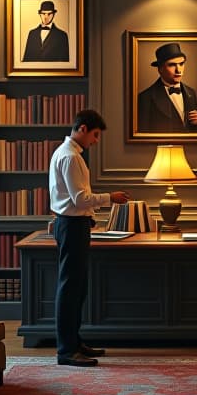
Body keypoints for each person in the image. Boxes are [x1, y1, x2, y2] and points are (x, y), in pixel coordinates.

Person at [49, 109, 130, 366]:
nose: (96, 140)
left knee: (77, 287)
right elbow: (80, 199)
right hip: (71, 225)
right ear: (82, 129)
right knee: (70, 288)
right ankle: (66, 350)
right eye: (95, 135)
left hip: (75, 224)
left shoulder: (70, 154)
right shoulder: (70, 157)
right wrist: (110, 197)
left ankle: (74, 343)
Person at [136, 42, 197, 133]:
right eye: (172, 65)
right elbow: (142, 136)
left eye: (181, 64)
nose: (178, 70)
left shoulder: (191, 92)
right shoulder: (145, 97)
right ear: (160, 69)